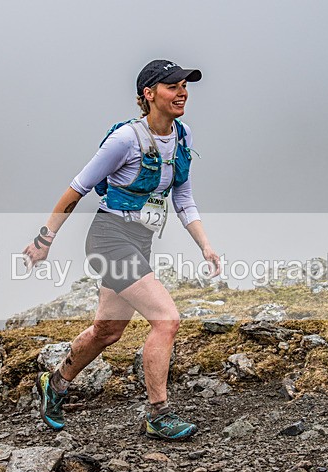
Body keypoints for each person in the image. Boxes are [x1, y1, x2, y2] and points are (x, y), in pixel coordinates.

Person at [22, 59, 221, 441]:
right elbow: (77, 188)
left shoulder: (182, 136)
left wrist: (206, 246)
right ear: (149, 94)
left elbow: (183, 197)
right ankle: (159, 414)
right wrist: (44, 240)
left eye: (185, 86)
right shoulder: (126, 140)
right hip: (109, 238)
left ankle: (55, 383)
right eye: (173, 86)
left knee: (108, 330)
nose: (182, 92)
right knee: (166, 319)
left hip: (139, 241)